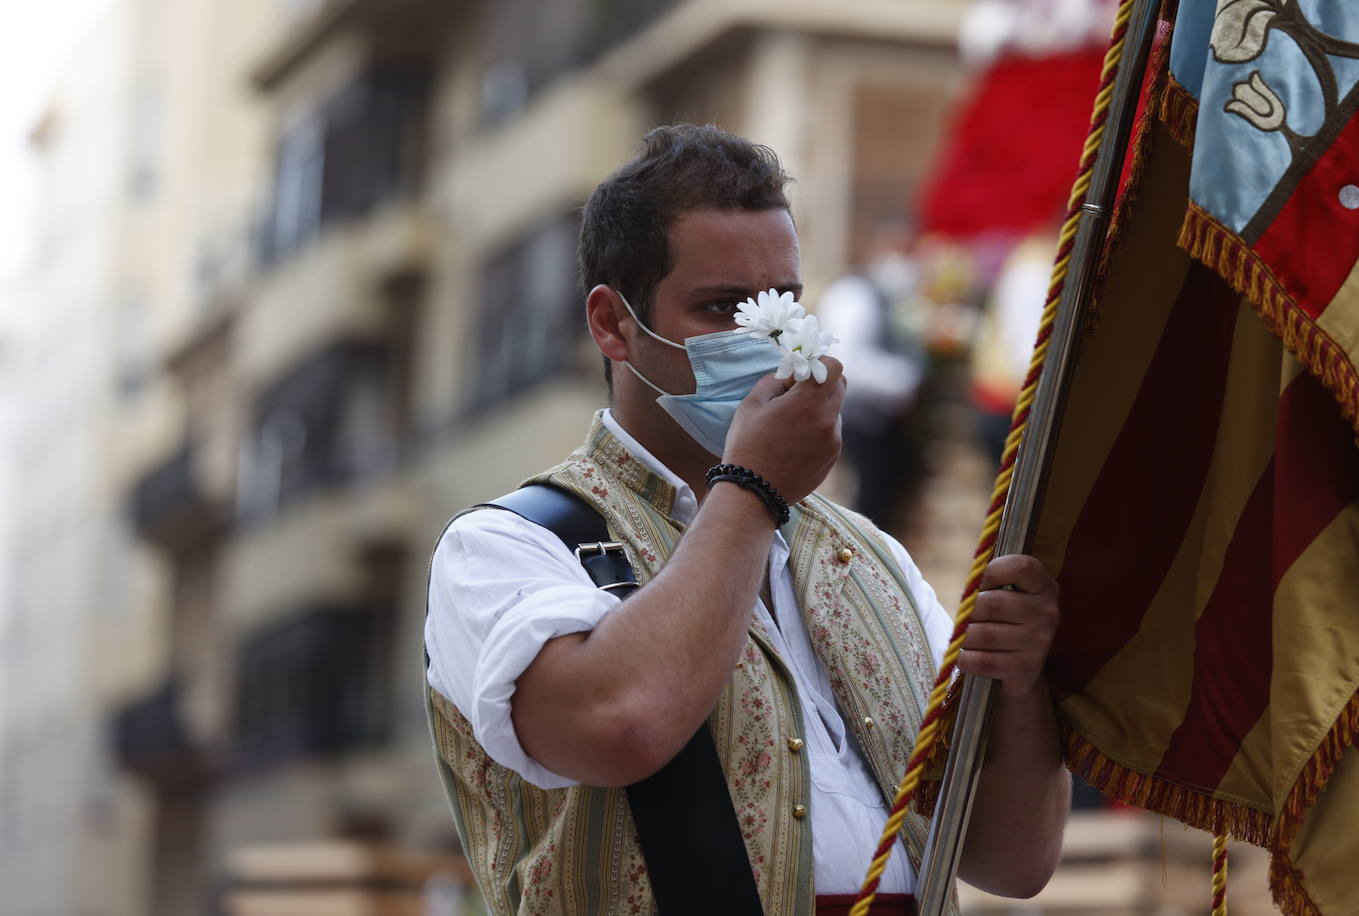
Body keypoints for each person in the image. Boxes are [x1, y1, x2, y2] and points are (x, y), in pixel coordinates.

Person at [424, 124, 1069, 915]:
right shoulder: (505, 544)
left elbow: (1012, 861)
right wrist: (754, 488)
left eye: (781, 305)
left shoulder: (874, 559)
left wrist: (1022, 682)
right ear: (612, 324)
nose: (765, 342)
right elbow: (620, 727)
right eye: (722, 307)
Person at [816, 222, 926, 532]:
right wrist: (904, 380)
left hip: (888, 421)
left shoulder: (891, 295)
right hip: (864, 417)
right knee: (870, 502)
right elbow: (845, 359)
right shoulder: (853, 294)